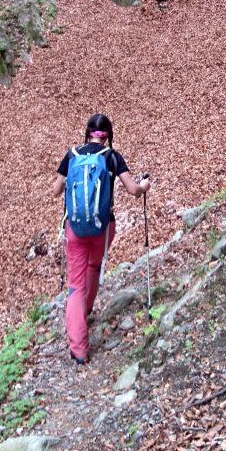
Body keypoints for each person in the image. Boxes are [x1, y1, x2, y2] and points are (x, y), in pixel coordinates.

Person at [55, 113, 150, 365]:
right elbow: (133, 191)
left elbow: (55, 190)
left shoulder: (72, 155)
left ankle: (79, 349)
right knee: (93, 268)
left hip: (74, 228)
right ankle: (85, 310)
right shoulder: (111, 157)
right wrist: (144, 186)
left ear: (86, 133)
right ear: (108, 136)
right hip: (103, 229)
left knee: (75, 284)